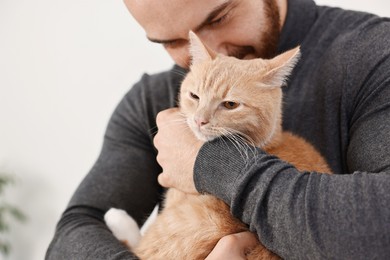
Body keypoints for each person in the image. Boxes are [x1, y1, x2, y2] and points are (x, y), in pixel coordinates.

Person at [46, 0, 390, 259]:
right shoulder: (151, 99)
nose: (212, 51)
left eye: (219, 16)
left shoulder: (375, 54)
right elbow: (73, 234)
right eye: (171, 41)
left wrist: (209, 163)